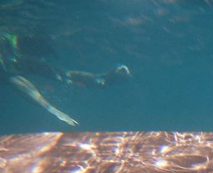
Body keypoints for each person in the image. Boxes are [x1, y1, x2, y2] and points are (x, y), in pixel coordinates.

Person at [1, 31, 130, 127]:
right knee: (61, 75)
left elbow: (17, 81)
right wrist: (53, 110)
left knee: (62, 75)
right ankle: (102, 80)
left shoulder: (12, 52)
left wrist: (53, 110)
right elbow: (17, 81)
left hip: (13, 50)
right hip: (13, 51)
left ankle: (102, 80)